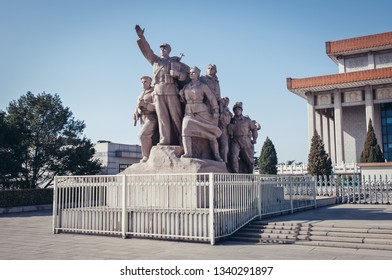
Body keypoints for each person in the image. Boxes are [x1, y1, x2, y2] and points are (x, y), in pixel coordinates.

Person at [135, 24, 188, 146]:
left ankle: (182, 139)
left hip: (171, 90)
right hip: (158, 91)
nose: (162, 50)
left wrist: (177, 74)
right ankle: (165, 140)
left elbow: (186, 76)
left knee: (176, 116)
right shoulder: (155, 61)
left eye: (165, 48)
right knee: (162, 117)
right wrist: (141, 37)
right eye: (161, 48)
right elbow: (146, 51)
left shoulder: (174, 62)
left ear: (169, 50)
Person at [179, 67, 223, 161]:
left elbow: (211, 98)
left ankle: (216, 155)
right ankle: (188, 153)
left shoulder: (202, 86)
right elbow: (182, 100)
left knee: (210, 134)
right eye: (190, 72)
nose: (191, 74)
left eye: (194, 72)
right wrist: (181, 95)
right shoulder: (186, 86)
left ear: (198, 75)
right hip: (189, 112)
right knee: (185, 130)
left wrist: (215, 110)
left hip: (202, 112)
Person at [227, 102, 259, 173]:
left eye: (239, 109)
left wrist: (254, 139)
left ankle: (250, 176)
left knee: (249, 160)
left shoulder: (247, 120)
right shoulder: (231, 120)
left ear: (241, 110)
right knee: (233, 157)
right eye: (235, 109)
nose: (237, 111)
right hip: (235, 141)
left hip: (246, 141)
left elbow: (254, 129)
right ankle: (236, 175)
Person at [133, 76, 159, 162]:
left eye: (145, 82)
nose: (143, 84)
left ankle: (146, 156)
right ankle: (149, 156)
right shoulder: (140, 94)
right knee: (148, 138)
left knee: (142, 135)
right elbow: (137, 107)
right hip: (143, 119)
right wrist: (136, 113)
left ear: (149, 83)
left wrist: (146, 105)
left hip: (151, 118)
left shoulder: (153, 92)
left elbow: (157, 106)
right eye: (142, 82)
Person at [217, 97, 233, 162]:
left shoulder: (227, 112)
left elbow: (226, 120)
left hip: (224, 130)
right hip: (216, 128)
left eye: (227, 102)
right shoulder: (217, 107)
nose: (226, 103)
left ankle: (224, 161)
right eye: (224, 101)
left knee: (225, 147)